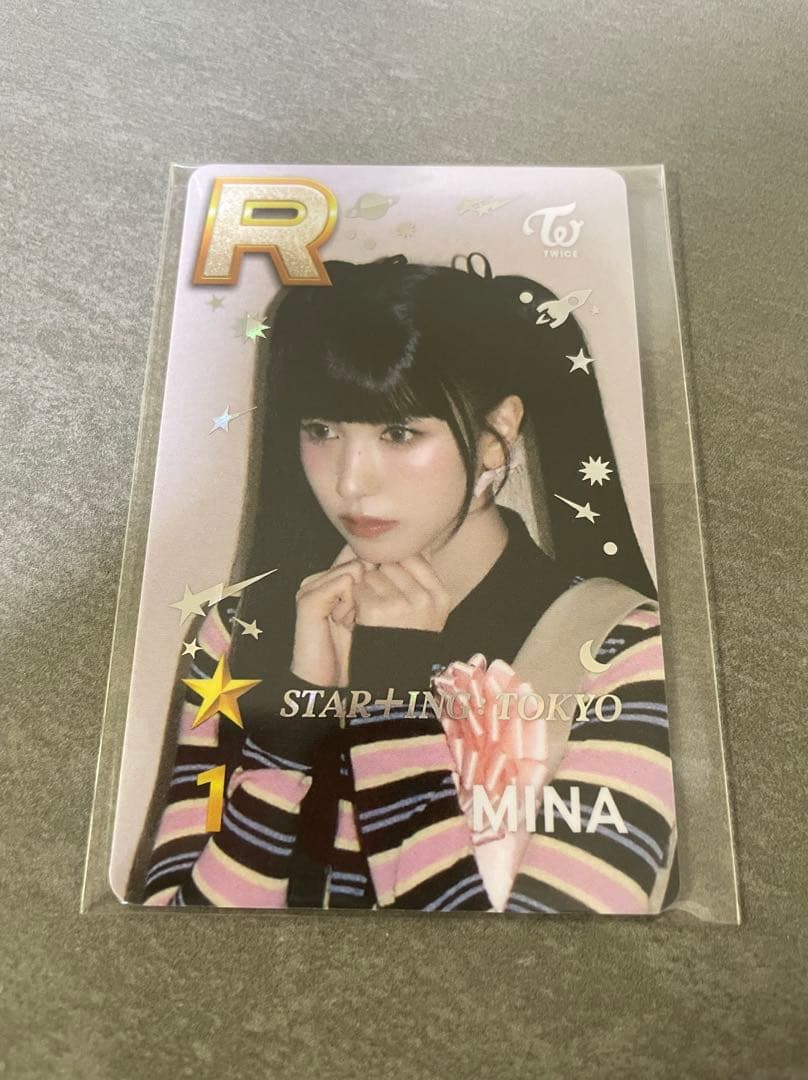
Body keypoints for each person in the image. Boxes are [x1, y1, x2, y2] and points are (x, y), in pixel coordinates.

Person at [132, 254, 678, 914]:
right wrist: (288, 742)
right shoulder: (242, 627)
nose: (350, 479)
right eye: (322, 429)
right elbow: (171, 948)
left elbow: (540, 971)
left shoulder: (624, 651)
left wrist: (393, 700)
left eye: (398, 432)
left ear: (497, 433)